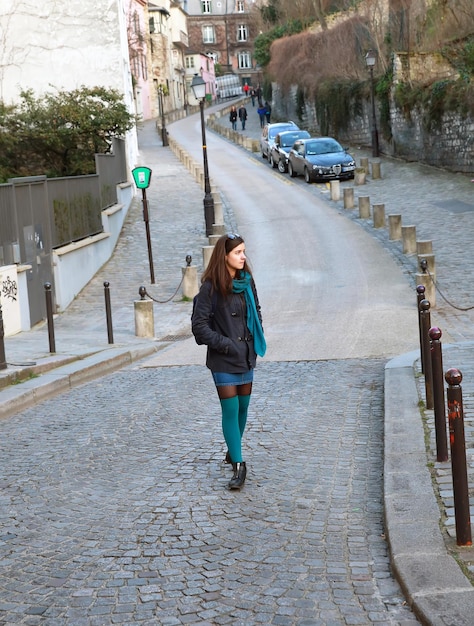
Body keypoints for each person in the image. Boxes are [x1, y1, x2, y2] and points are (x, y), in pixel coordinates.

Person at [191, 234, 266, 491]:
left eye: (244, 251)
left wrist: (255, 339)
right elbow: (199, 327)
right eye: (238, 253)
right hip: (223, 359)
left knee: (243, 408)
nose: (243, 256)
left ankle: (231, 449)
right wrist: (225, 343)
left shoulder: (247, 282)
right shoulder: (210, 288)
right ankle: (239, 465)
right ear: (225, 256)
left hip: (246, 355)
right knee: (230, 411)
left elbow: (257, 311)